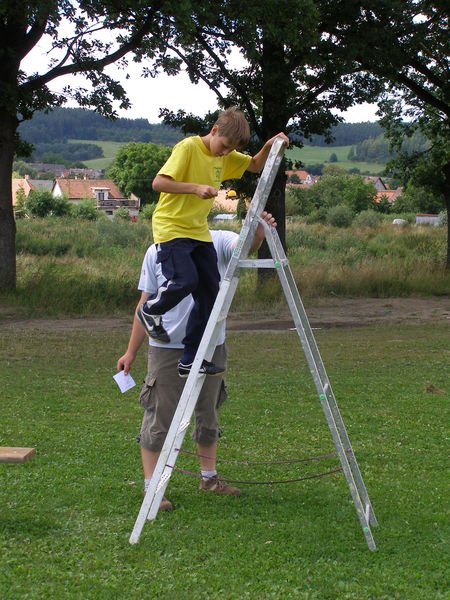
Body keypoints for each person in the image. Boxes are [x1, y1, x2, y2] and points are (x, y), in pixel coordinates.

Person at [117, 212, 277, 511]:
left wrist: (256, 232)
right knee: (160, 415)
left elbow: (243, 248)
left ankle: (209, 478)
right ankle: (152, 488)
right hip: (166, 348)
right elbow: (144, 304)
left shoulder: (218, 240)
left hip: (210, 346)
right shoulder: (158, 249)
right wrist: (131, 352)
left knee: (208, 412)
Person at [136, 107, 289, 378]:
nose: (225, 153)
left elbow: (255, 165)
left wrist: (269, 146)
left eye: (231, 150)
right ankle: (150, 311)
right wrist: (195, 188)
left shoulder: (224, 156)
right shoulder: (189, 148)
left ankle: (190, 359)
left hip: (198, 232)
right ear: (214, 130)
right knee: (185, 280)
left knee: (210, 293)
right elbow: (158, 183)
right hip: (172, 229)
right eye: (225, 146)